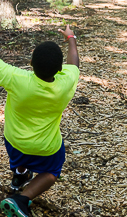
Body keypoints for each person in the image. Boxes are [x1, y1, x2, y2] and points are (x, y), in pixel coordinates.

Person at [0, 25, 79, 217]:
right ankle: (22, 198)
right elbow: (74, 63)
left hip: (15, 142)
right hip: (46, 147)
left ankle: (19, 176)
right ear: (60, 69)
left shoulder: (16, 79)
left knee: (21, 151)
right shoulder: (66, 82)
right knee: (52, 172)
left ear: (31, 61)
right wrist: (71, 38)